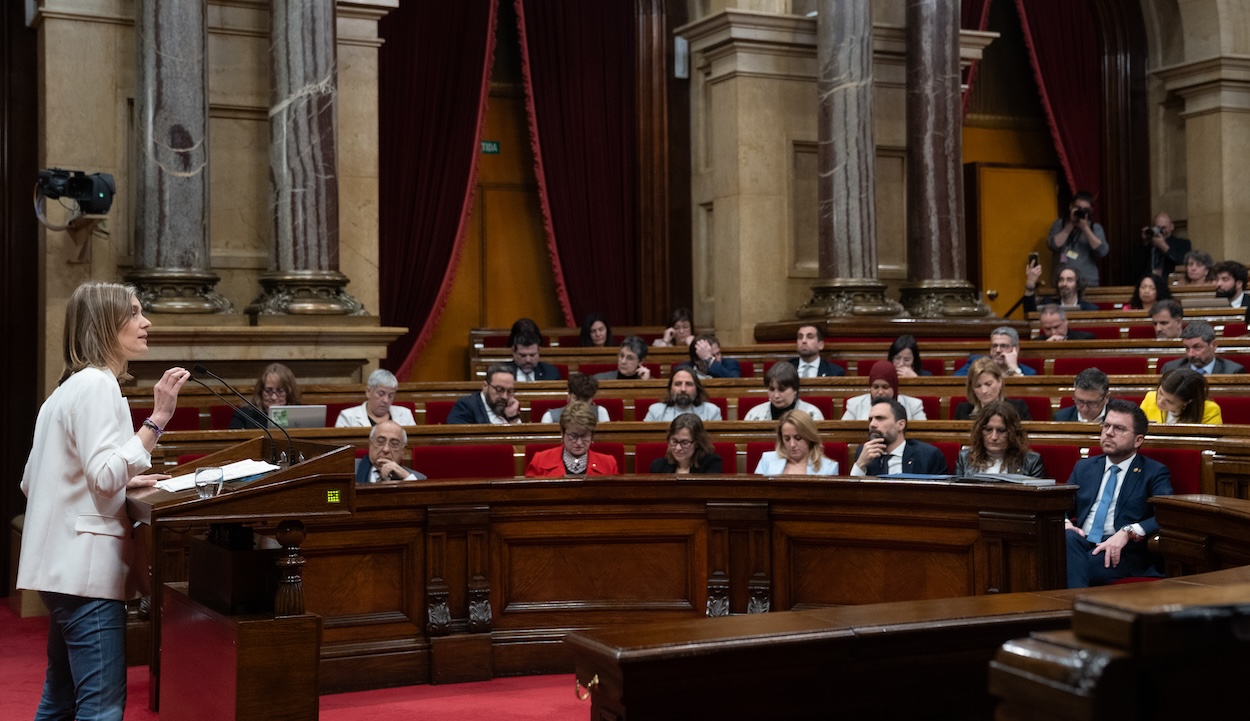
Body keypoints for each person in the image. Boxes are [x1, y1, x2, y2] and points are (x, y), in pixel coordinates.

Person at [19, 281, 192, 721]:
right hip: (85, 571)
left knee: (58, 701)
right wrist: (157, 420)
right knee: (102, 709)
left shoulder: (66, 389)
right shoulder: (98, 385)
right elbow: (102, 474)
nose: (145, 321)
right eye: (134, 313)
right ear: (104, 324)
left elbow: (31, 482)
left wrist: (122, 483)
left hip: (62, 569)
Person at [1065, 399, 1173, 588]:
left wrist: (1128, 532)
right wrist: (1066, 523)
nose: (1108, 433)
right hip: (1081, 541)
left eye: (1119, 429)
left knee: (1077, 566)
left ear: (1138, 440)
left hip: (1121, 551)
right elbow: (1059, 503)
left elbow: (1166, 514)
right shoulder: (1084, 467)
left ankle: (1070, 613)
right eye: (1106, 425)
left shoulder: (1153, 472)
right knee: (1067, 540)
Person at [850, 398, 949, 476]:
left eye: (880, 418)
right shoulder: (864, 453)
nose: (872, 424)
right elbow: (852, 495)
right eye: (870, 419)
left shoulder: (927, 455)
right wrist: (860, 464)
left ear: (900, 425)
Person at [525, 401, 619, 477]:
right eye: (573, 436)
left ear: (592, 436)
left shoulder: (608, 464)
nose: (579, 442)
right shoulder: (540, 461)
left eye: (584, 436)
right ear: (562, 433)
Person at [955, 400, 1046, 477]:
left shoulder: (1031, 462)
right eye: (988, 430)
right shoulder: (964, 458)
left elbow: (1035, 498)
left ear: (1013, 433)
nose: (994, 437)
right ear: (980, 431)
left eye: (1001, 430)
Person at [1046, 190, 1109, 286]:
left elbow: (1102, 251)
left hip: (1087, 281)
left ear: (1091, 211)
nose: (1080, 212)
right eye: (1077, 208)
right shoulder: (1060, 224)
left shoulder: (1095, 228)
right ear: (1071, 207)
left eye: (1085, 210)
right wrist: (1071, 224)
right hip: (1062, 282)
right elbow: (1053, 245)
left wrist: (1085, 228)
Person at [753, 409, 837, 476]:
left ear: (810, 437)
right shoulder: (767, 460)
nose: (792, 444)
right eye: (787, 439)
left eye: (798, 438)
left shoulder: (829, 468)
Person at [841, 361, 926, 421]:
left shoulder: (914, 405)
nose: (880, 392)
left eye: (885, 387)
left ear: (894, 387)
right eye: (875, 387)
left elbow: (923, 435)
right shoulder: (855, 405)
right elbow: (842, 433)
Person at [954, 357, 1032, 421]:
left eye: (988, 384)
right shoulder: (962, 410)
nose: (984, 391)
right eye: (978, 386)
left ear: (1000, 382)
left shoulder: (1018, 408)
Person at [743, 361, 825, 421]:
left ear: (795, 389)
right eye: (771, 389)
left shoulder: (812, 415)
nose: (776, 395)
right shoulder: (754, 416)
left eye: (782, 390)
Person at [230, 362, 301, 429]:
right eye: (268, 391)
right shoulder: (244, 415)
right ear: (260, 391)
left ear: (289, 392)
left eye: (280, 391)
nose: (274, 397)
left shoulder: (300, 414)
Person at [335, 368, 415, 427]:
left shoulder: (405, 414)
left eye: (390, 395)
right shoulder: (348, 417)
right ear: (368, 392)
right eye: (381, 394)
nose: (386, 400)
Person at [1139, 369, 1223, 425]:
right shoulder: (1150, 397)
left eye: (1169, 401)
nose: (1160, 402)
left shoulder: (1210, 410)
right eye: (1160, 393)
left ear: (1188, 401)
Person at [1160, 320, 1245, 374]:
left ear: (1213, 345)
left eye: (1197, 347)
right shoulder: (1171, 369)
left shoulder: (1232, 371)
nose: (1190, 354)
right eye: (1187, 348)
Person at [448, 363, 522, 424]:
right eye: (499, 390)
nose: (505, 397)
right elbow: (458, 438)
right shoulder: (465, 406)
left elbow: (521, 439)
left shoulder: (510, 407)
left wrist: (513, 418)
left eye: (509, 391)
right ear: (485, 386)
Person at [642, 366, 723, 422]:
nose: (683, 389)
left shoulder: (711, 411)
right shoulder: (655, 411)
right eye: (678, 384)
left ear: (697, 388)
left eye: (688, 384)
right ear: (670, 388)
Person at [356, 420, 427, 483]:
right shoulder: (349, 470)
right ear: (370, 444)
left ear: (403, 450)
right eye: (380, 442)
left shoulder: (417, 479)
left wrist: (407, 478)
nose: (386, 449)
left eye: (394, 444)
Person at [648, 415, 723, 474]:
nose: (678, 448)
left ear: (697, 443)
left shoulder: (711, 463)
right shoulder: (658, 466)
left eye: (684, 442)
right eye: (674, 441)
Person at [953, 327, 1035, 377]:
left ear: (1015, 349)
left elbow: (1026, 393)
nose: (998, 350)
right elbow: (956, 381)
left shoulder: (1028, 373)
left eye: (1003, 346)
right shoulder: (976, 362)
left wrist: (1014, 368)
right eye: (995, 346)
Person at [1023, 265, 1098, 312]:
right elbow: (1030, 314)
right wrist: (1030, 286)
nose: (1064, 284)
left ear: (1078, 285)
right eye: (1061, 280)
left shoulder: (1090, 309)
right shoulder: (1047, 304)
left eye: (1069, 280)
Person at [540, 373, 611, 423]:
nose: (580, 405)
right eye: (576, 399)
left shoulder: (600, 412)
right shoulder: (550, 417)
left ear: (592, 399)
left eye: (585, 400)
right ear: (569, 395)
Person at [1140, 212, 1191, 278]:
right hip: (1150, 284)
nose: (1161, 231)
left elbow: (1183, 263)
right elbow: (1137, 267)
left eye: (1164, 228)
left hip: (1170, 283)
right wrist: (1146, 240)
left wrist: (1164, 247)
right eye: (1158, 228)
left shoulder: (1182, 243)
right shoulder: (1149, 246)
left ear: (1172, 227)